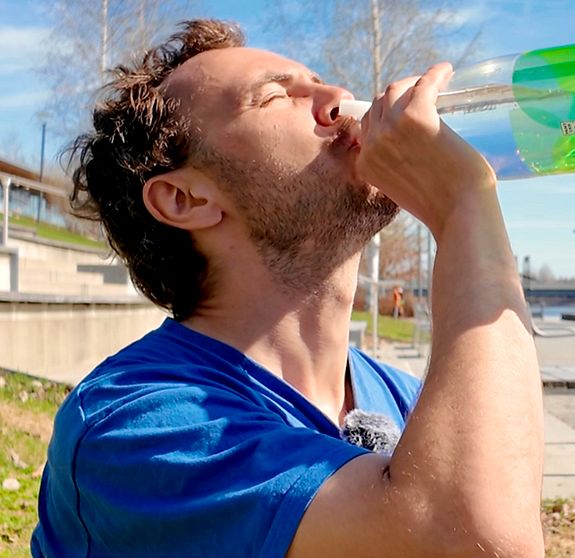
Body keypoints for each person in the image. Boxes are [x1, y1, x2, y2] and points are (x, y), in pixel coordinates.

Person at [32, 20, 544, 558]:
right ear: (185, 199)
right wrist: (464, 207)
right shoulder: (132, 428)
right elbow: (473, 539)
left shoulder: (406, 398)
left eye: (320, 81)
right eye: (275, 95)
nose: (338, 98)